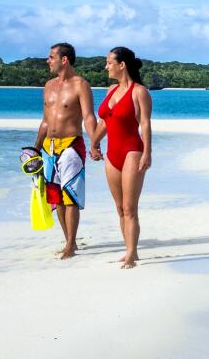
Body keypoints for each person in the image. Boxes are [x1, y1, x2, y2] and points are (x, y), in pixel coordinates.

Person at [89, 46, 152, 269]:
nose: (106, 66)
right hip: (112, 153)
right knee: (119, 208)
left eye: (109, 62)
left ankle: (131, 253)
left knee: (129, 207)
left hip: (132, 151)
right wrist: (94, 143)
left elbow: (145, 124)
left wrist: (147, 152)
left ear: (121, 65)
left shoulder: (139, 92)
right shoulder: (110, 91)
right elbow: (105, 121)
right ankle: (128, 248)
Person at [34, 42, 96, 259]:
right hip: (48, 148)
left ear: (64, 59)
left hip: (71, 145)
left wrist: (95, 142)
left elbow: (89, 116)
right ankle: (68, 239)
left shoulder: (81, 85)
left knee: (70, 196)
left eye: (51, 57)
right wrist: (35, 148)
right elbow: (44, 121)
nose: (47, 60)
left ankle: (71, 244)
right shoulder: (48, 85)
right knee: (56, 198)